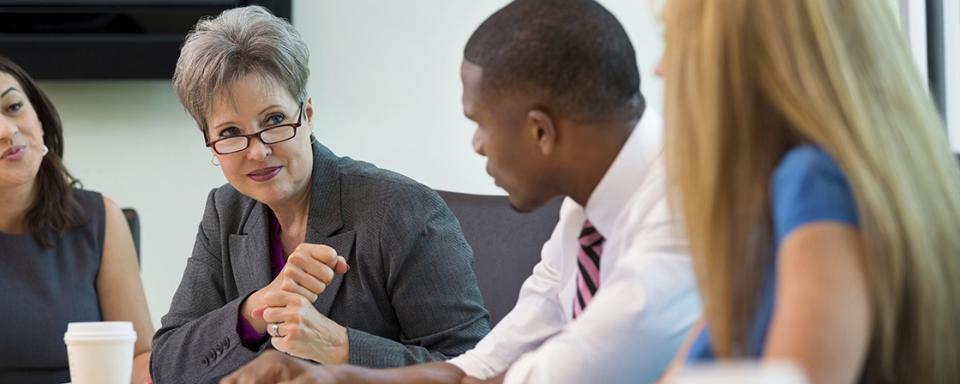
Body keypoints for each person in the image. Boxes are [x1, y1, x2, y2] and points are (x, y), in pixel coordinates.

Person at [221, 1, 700, 383]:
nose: (477, 145)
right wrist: (335, 379)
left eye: (480, 124)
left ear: (540, 132)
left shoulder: (684, 214)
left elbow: (547, 375)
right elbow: (480, 365)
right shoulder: (586, 212)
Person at [149, 5, 490, 383]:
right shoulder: (225, 210)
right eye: (230, 132)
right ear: (211, 144)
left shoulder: (401, 210)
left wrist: (340, 346)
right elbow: (167, 366)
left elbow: (473, 370)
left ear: (307, 115)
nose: (257, 151)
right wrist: (256, 310)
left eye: (274, 121)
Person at [655, 0, 960, 383]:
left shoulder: (815, 183)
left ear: (735, 56)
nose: (660, 67)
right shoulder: (805, 194)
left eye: (671, 40)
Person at [0, 55, 154, 384]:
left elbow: (140, 356)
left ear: (39, 118)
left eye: (13, 107)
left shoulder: (100, 219)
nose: (6, 130)